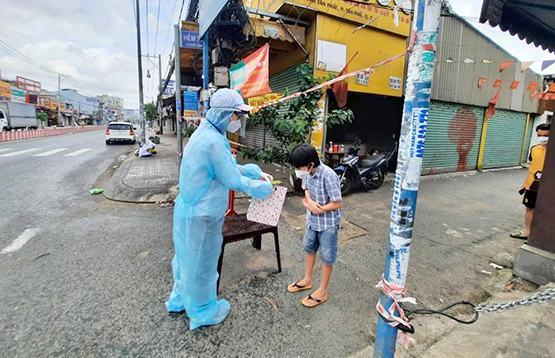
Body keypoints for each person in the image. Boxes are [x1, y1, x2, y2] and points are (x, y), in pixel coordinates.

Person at [166, 88, 273, 330]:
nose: (238, 120)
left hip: (188, 208)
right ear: (226, 114)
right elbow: (232, 179)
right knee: (201, 264)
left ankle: (180, 299)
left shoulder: (206, 132)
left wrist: (251, 170)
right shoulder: (213, 141)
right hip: (201, 214)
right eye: (236, 115)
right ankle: (202, 310)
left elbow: (226, 166)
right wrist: (260, 187)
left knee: (185, 260)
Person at [287, 144, 342, 307]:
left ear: (311, 164)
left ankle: (323, 291)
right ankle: (307, 280)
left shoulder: (328, 175)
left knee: (327, 256)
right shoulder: (307, 173)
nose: (298, 171)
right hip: (312, 221)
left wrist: (319, 209)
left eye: (300, 167)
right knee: (309, 248)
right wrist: (310, 202)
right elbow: (306, 190)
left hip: (328, 225)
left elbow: (337, 203)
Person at [510, 123, 550, 241]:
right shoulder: (534, 149)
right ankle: (527, 232)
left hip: (548, 187)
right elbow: (532, 167)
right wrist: (525, 184)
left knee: (545, 211)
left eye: (546, 135)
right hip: (533, 185)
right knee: (529, 208)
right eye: (539, 135)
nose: (542, 138)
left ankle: (541, 236)